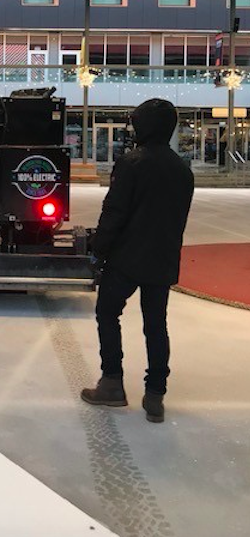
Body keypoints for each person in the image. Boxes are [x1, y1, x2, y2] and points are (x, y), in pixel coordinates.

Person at [81, 99, 194, 423]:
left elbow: (114, 213)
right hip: (162, 259)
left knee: (107, 313)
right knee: (156, 325)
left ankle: (112, 382)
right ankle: (156, 392)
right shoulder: (182, 171)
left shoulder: (132, 163)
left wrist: (98, 248)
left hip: (126, 259)